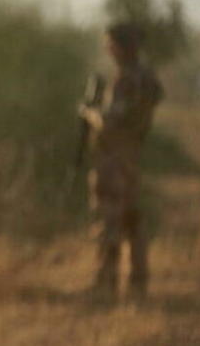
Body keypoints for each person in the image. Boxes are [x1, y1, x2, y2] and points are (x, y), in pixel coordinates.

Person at [78, 22, 163, 299]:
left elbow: (109, 122)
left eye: (110, 44)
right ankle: (138, 282)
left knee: (108, 220)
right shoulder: (148, 78)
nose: (107, 49)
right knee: (132, 219)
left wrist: (88, 112)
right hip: (133, 155)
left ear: (122, 46)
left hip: (113, 158)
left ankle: (106, 282)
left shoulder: (127, 79)